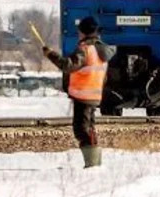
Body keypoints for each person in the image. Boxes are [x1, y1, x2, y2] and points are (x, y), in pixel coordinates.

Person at [42, 16, 115, 168]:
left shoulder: (85, 50)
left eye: (79, 31)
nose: (78, 34)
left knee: (81, 130)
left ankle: (92, 164)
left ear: (83, 32)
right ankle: (94, 163)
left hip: (84, 95)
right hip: (94, 95)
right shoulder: (101, 50)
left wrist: (50, 54)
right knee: (89, 129)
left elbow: (68, 65)